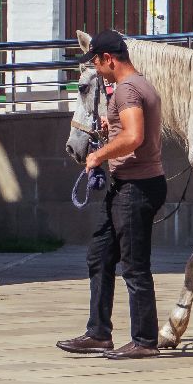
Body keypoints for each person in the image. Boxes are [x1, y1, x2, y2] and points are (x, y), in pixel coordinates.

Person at [57, 30, 167, 360]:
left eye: (95, 61)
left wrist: (99, 155)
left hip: (135, 187)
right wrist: (111, 129)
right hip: (129, 185)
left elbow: (134, 137)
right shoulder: (140, 85)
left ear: (108, 59)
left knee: (134, 265)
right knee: (100, 255)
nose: (95, 67)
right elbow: (129, 131)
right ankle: (98, 333)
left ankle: (145, 341)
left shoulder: (127, 89)